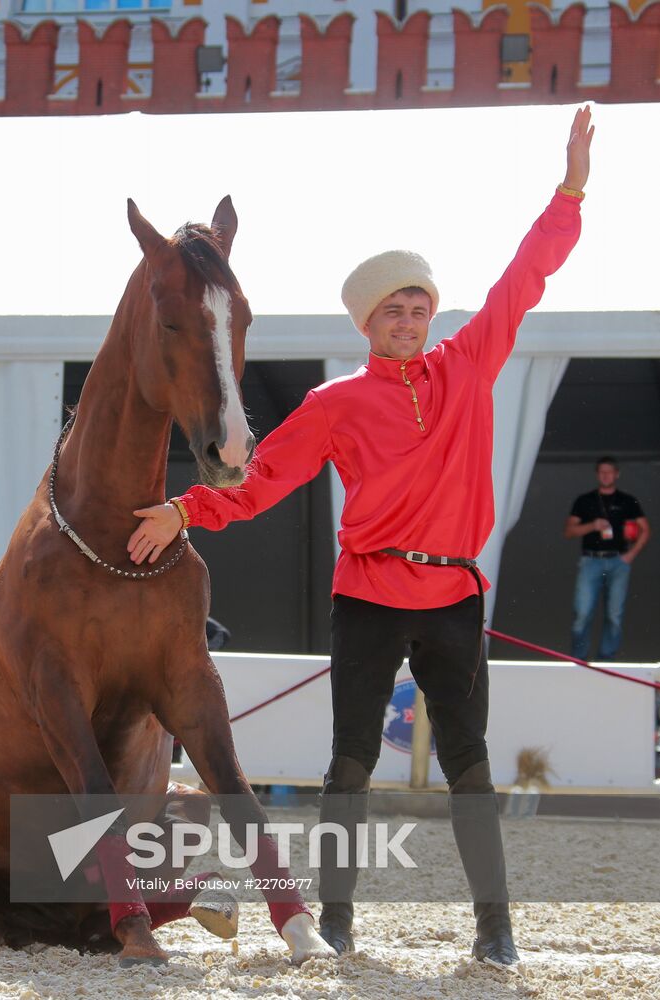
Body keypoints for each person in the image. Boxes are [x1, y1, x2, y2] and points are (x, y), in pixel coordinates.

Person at [127, 107, 594, 967]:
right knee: (348, 769)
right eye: (393, 310)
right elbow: (261, 480)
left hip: (453, 593)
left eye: (418, 305)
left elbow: (523, 278)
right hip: (368, 593)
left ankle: (494, 931)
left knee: (469, 770)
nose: (409, 319)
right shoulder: (335, 403)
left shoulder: (468, 364)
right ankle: (335, 921)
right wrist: (187, 509)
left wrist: (568, 190)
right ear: (367, 323)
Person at [564, 456, 650, 660]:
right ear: (597, 475)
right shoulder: (585, 500)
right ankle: (578, 660)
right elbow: (569, 531)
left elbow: (645, 530)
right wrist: (592, 526)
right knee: (582, 613)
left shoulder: (627, 501)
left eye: (609, 472)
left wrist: (630, 555)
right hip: (591, 560)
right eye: (602, 472)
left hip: (618, 561)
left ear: (616, 474)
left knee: (614, 615)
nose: (605, 475)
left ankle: (606, 661)